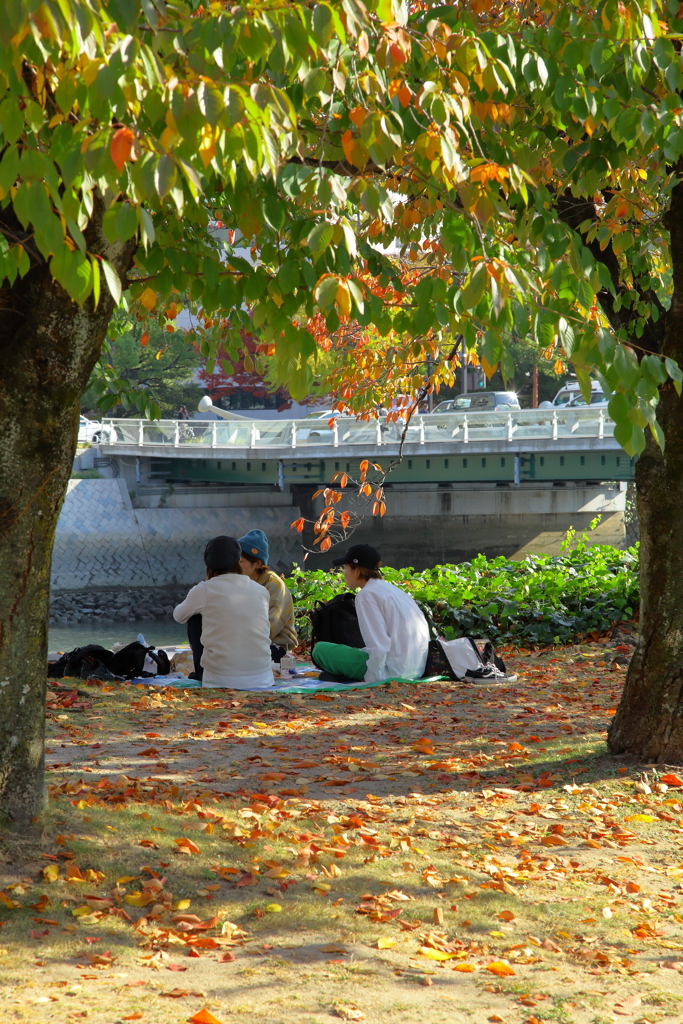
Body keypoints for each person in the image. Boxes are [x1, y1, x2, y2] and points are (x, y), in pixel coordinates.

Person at [312, 544, 429, 683]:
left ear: (357, 571)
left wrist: (372, 679)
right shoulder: (393, 590)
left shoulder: (366, 595)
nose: (344, 573)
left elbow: (379, 645)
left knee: (320, 650)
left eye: (345, 568)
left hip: (393, 671)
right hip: (416, 669)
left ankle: (355, 676)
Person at [173, 535, 273, 689]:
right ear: (238, 560)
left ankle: (200, 674)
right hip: (263, 678)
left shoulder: (205, 589)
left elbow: (178, 616)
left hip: (220, 679)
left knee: (194, 616)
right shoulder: (261, 591)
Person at [238, 530, 297, 660]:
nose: (236, 566)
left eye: (241, 561)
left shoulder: (273, 584)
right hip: (249, 642)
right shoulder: (241, 582)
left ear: (258, 563)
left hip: (276, 645)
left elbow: (270, 627)